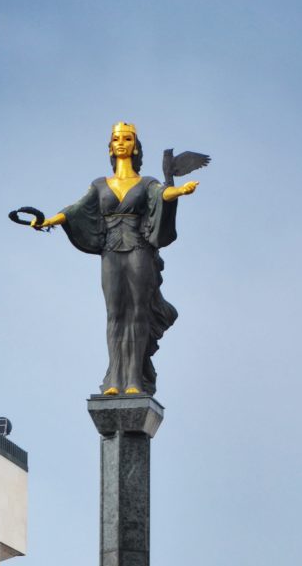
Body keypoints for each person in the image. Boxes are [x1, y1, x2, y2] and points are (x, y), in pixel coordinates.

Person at [32, 122, 198, 396]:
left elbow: (161, 195)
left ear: (135, 146)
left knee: (137, 313)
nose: (121, 142)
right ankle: (114, 380)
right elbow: (76, 209)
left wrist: (178, 191)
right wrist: (48, 220)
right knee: (114, 315)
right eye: (117, 139)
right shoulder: (100, 185)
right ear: (111, 146)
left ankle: (133, 379)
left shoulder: (146, 183)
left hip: (139, 249)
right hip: (111, 250)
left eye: (127, 138)